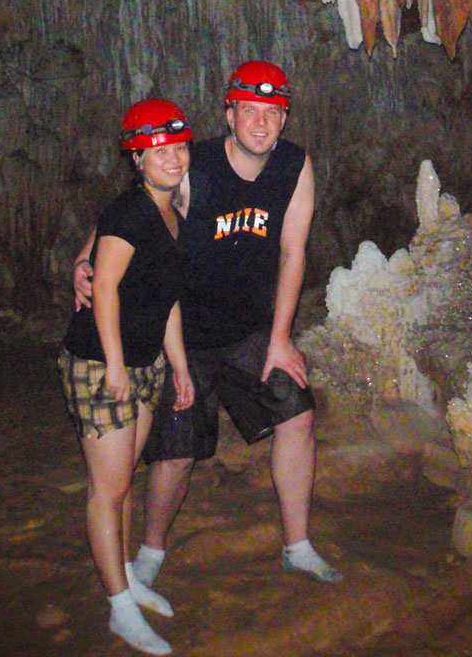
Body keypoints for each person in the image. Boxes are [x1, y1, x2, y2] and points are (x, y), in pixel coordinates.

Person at [74, 61, 341, 590]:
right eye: (249, 111)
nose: (260, 124)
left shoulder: (294, 166)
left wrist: (281, 338)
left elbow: (293, 252)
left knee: (297, 413)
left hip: (248, 330)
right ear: (229, 114)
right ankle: (150, 551)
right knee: (175, 454)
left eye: (272, 113)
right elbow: (127, 215)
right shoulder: (194, 167)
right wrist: (83, 261)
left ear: (284, 119)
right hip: (183, 335)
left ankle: (298, 544)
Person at [59, 98, 196, 656]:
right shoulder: (128, 213)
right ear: (137, 156)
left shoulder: (173, 216)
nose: (173, 156)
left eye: (180, 146)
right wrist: (115, 364)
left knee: (125, 482)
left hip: (145, 364)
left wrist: (179, 364)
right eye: (160, 148)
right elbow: (106, 288)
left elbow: (166, 300)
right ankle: (119, 607)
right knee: (108, 489)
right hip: (100, 363)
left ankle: (126, 579)